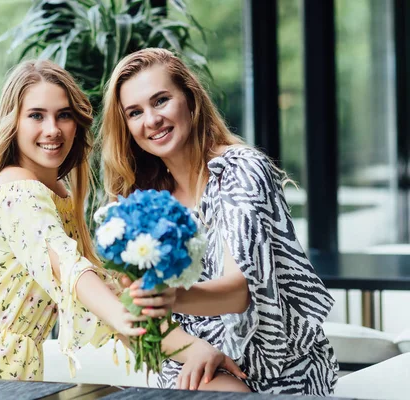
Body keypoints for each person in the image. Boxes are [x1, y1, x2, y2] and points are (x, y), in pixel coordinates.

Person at [0, 59, 176, 381]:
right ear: (13, 123)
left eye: (64, 115)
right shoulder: (19, 191)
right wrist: (144, 330)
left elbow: (96, 288)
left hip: (9, 368)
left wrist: (178, 352)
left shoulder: (56, 193)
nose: (53, 129)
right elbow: (70, 269)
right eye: (36, 115)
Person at [99, 48, 338, 395]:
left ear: (190, 99)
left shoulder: (241, 170)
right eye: (135, 112)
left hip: (278, 369)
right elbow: (136, 313)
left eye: (161, 100)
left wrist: (171, 297)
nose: (151, 120)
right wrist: (192, 349)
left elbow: (240, 291)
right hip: (195, 366)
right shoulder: (139, 200)